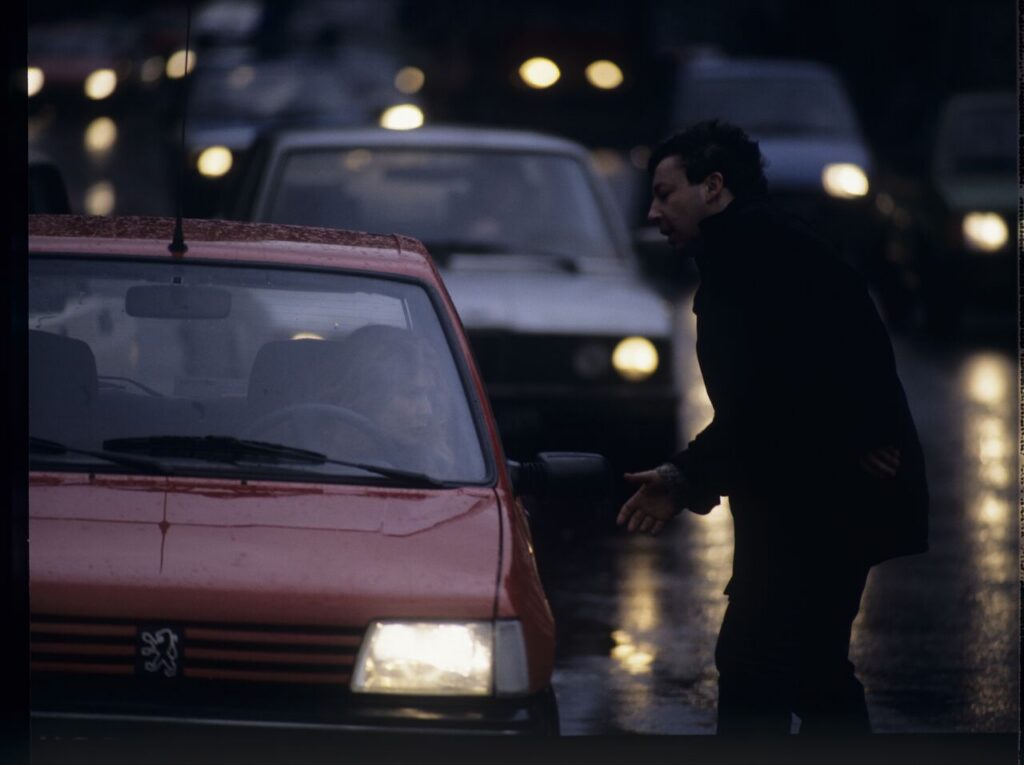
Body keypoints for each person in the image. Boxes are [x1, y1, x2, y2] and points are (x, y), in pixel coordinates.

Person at [616, 120, 928, 737]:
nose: (652, 212)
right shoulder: (752, 251)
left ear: (713, 187)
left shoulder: (760, 256)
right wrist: (868, 428)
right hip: (806, 494)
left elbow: (774, 401)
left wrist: (685, 477)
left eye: (664, 193)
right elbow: (810, 371)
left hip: (822, 501)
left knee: (757, 664)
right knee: (809, 669)